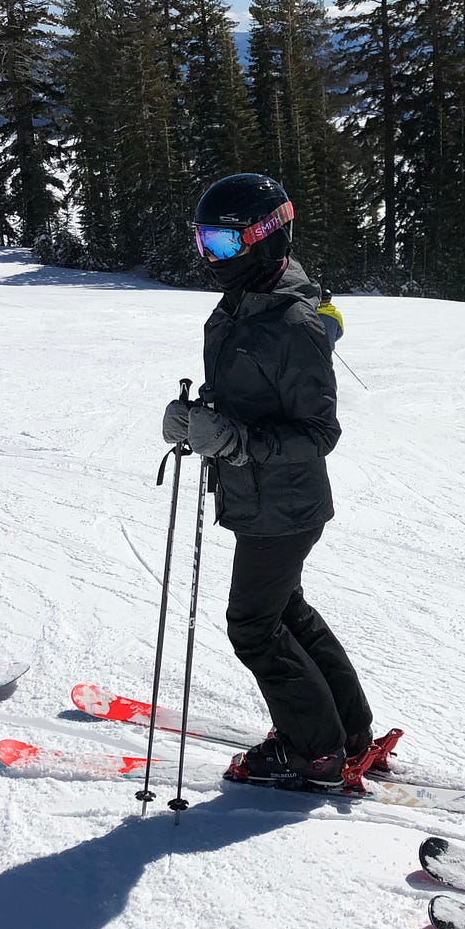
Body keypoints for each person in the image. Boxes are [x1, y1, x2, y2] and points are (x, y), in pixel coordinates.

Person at [162, 173, 374, 788]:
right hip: (256, 498)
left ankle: (315, 753)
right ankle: (347, 733)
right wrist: (198, 417)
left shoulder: (293, 324)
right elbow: (242, 393)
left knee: (253, 627)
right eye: (204, 242)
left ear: (264, 238)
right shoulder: (241, 303)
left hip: (284, 505)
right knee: (287, 612)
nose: (211, 257)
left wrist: (234, 441)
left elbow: (319, 433)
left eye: (224, 243)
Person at [316, 286, 344, 351]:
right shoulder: (336, 314)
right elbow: (340, 332)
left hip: (315, 348)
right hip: (329, 348)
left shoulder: (313, 313)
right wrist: (331, 340)